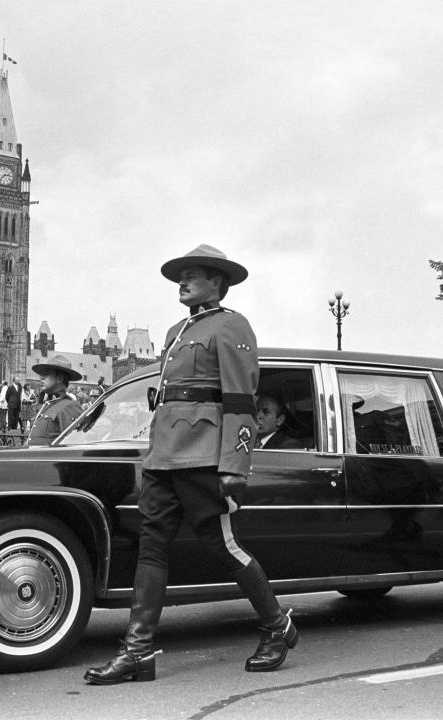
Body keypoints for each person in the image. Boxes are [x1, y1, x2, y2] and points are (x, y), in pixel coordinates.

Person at [85, 244, 296, 685]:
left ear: (217, 282)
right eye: (181, 276)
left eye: (193, 275)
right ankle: (138, 652)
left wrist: (235, 463)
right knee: (152, 547)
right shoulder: (175, 332)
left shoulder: (232, 325)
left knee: (223, 547)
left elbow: (241, 399)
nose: (182, 282)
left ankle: (279, 626)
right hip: (164, 455)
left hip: (203, 454)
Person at [28, 356, 84, 446]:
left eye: (46, 373)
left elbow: (72, 446)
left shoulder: (69, 407)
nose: (41, 377)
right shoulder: (48, 405)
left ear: (60, 378)